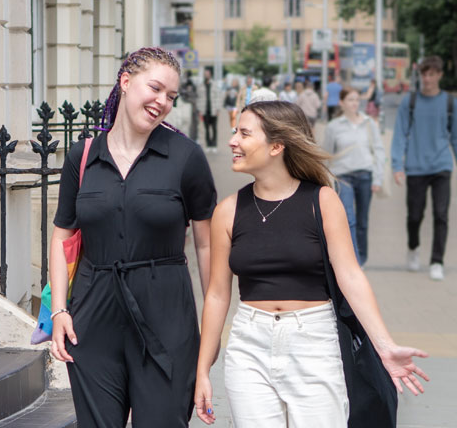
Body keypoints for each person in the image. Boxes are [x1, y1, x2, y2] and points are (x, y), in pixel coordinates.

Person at [194, 101, 429, 427]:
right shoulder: (228, 211)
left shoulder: (322, 201)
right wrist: (203, 370)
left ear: (276, 146)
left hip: (314, 343)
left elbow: (350, 276)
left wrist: (385, 345)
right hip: (249, 344)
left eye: (244, 133)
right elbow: (218, 296)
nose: (232, 140)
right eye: (235, 132)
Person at [49, 46, 217, 427]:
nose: (163, 102)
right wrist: (59, 309)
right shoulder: (83, 156)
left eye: (171, 96)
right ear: (125, 82)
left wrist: (212, 324)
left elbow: (206, 245)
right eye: (155, 88)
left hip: (166, 317)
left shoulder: (186, 157)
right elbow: (63, 236)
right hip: (93, 317)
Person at [391, 55, 457, 281]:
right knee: (414, 216)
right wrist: (397, 165)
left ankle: (437, 261)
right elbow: (399, 134)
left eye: (431, 74)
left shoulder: (449, 102)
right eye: (424, 74)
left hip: (441, 166)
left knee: (441, 215)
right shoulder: (410, 102)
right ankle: (413, 247)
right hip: (416, 167)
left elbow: (456, 137)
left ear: (439, 75)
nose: (427, 79)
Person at [323, 87, 385, 265]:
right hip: (343, 177)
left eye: (357, 100)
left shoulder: (368, 123)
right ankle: (353, 260)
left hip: (366, 175)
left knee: (362, 220)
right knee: (349, 219)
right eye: (350, 100)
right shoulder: (333, 127)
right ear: (341, 103)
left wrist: (378, 178)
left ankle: (362, 259)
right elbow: (327, 154)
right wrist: (325, 182)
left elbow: (379, 151)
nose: (354, 103)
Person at [198, 68, 222, 151]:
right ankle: (208, 145)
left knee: (214, 128)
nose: (206, 75)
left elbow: (218, 97)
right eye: (205, 74)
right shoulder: (201, 85)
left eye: (207, 74)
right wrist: (200, 110)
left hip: (213, 109)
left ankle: (214, 145)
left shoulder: (214, 85)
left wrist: (218, 109)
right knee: (207, 128)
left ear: (210, 75)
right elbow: (199, 98)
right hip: (205, 110)